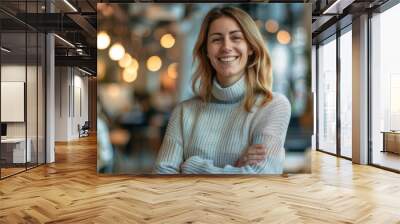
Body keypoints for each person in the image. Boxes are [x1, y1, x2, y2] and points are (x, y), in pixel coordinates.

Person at [154, 6, 291, 174]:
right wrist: (236, 168)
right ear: (206, 52)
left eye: (236, 38)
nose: (226, 47)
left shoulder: (273, 106)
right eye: (216, 39)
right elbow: (163, 174)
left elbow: (261, 177)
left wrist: (192, 166)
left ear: (251, 47)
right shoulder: (184, 112)